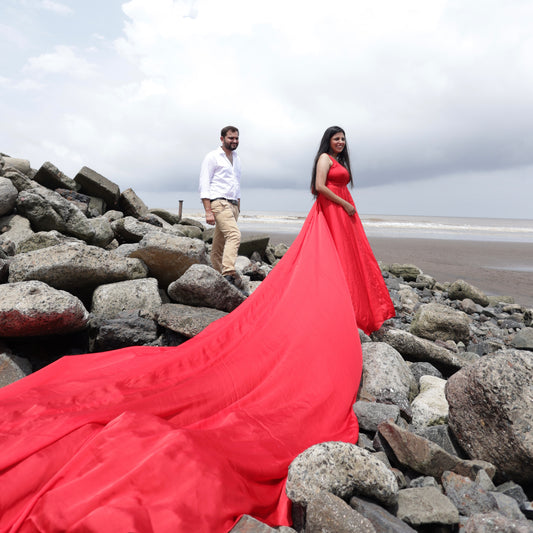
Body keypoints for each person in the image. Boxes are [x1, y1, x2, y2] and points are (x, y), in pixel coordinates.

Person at [0, 127, 393, 532]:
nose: (340, 144)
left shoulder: (314, 161)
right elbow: (316, 188)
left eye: (344, 140)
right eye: (336, 139)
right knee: (256, 245)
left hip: (328, 210)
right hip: (331, 211)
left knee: (287, 248)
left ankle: (314, 293)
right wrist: (340, 205)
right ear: (328, 142)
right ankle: (228, 273)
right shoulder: (323, 161)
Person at [199, 125, 242, 288]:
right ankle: (229, 273)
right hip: (219, 202)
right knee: (234, 235)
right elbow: (204, 184)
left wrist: (239, 205)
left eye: (237, 138)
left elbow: (236, 183)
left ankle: (218, 276)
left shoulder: (237, 158)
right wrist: (208, 211)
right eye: (231, 138)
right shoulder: (212, 157)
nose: (234, 141)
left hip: (233, 205)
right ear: (222, 138)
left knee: (219, 243)